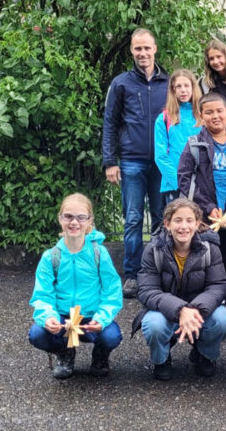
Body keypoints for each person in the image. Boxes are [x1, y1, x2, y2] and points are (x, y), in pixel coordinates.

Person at [102, 28, 169, 298]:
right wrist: (110, 161)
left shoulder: (170, 83)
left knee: (162, 219)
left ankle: (156, 273)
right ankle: (131, 274)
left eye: (147, 48)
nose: (142, 53)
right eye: (137, 49)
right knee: (132, 220)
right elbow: (110, 123)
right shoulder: (121, 83)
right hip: (131, 161)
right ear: (131, 51)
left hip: (162, 163)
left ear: (155, 49)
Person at [28, 193, 123, 379]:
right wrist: (48, 317)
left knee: (111, 336)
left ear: (89, 221)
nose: (74, 222)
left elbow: (112, 291)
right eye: (68, 216)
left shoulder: (99, 253)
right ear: (60, 219)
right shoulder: (51, 256)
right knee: (37, 333)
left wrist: (102, 318)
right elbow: (42, 295)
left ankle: (100, 356)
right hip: (62, 319)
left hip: (91, 318)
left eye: (81, 217)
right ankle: (64, 353)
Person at [134, 198, 226, 380]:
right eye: (177, 220)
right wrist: (180, 310)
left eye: (189, 220)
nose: (183, 226)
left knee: (223, 318)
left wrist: (192, 310)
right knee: (154, 325)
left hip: (199, 309)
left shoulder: (210, 249)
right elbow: (147, 290)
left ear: (197, 224)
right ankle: (162, 359)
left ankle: (204, 354)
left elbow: (218, 286)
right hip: (164, 310)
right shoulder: (153, 250)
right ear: (167, 224)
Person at [177, 92, 226, 287]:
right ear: (201, 116)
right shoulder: (194, 144)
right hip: (205, 218)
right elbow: (185, 180)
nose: (215, 116)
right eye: (209, 112)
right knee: (205, 261)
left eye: (219, 111)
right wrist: (208, 206)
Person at [155, 69, 202, 205]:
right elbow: (160, 156)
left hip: (200, 185)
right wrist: (180, 182)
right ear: (173, 90)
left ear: (193, 88)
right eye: (178, 87)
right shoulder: (164, 118)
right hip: (175, 185)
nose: (183, 90)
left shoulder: (203, 116)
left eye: (186, 86)